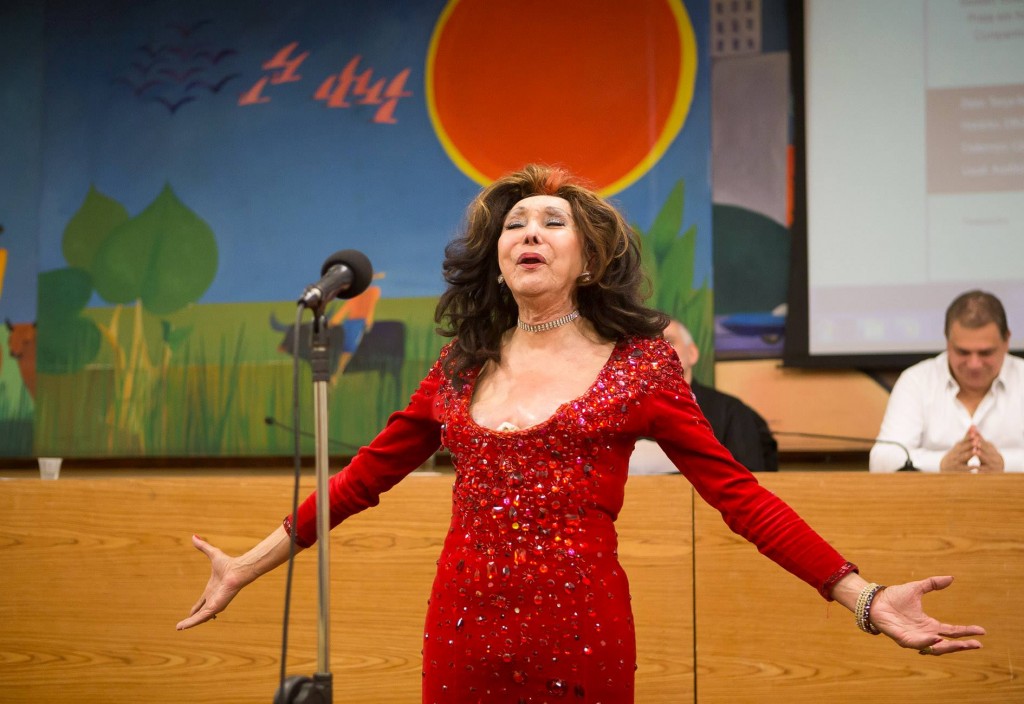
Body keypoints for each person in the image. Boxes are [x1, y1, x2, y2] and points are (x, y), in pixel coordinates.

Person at [178, 165, 984, 702]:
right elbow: (360, 482)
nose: (528, 231)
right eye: (514, 224)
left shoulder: (640, 369)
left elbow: (739, 497)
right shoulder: (459, 366)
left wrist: (863, 595)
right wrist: (246, 566)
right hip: (461, 632)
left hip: (583, 635)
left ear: (589, 259)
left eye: (551, 222)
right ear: (497, 261)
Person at [869, 290, 1023, 473]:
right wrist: (941, 464)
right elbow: (881, 460)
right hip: (935, 500)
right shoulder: (917, 381)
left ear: (1006, 341)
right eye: (963, 352)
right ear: (947, 342)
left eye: (985, 353)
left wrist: (1004, 463)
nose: (974, 364)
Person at [630, 319, 777, 473]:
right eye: (648, 345)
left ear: (692, 354)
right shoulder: (620, 412)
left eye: (668, 341)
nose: (658, 350)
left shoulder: (730, 412)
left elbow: (751, 480)